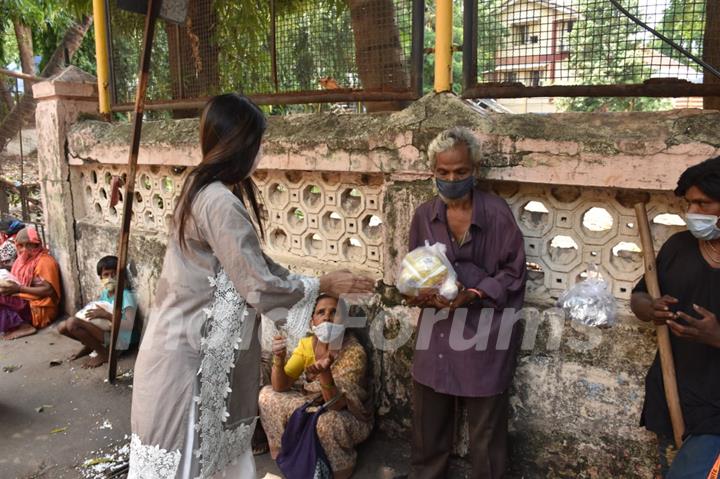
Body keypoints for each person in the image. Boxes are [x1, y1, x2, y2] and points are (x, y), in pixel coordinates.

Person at [128, 93, 375, 479]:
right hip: (189, 366)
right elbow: (258, 283)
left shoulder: (200, 189)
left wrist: (314, 283)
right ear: (242, 145)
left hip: (182, 350)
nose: (260, 154)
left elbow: (252, 265)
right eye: (258, 144)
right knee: (190, 463)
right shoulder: (218, 202)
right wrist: (322, 283)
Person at [405, 127, 526, 479]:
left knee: (486, 442)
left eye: (460, 172)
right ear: (433, 171)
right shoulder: (424, 215)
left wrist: (474, 293)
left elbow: (514, 272)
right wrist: (418, 293)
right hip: (436, 336)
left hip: (484, 339)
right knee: (427, 437)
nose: (451, 179)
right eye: (443, 172)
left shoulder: (497, 214)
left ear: (475, 169)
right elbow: (413, 271)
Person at [630, 157, 720, 479]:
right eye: (689, 203)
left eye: (703, 203)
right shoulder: (678, 247)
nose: (692, 211)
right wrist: (648, 307)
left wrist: (716, 337)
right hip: (674, 394)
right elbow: (640, 296)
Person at [259, 294, 372, 479]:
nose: (327, 317)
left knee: (325, 423)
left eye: (334, 312)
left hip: (346, 415)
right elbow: (280, 386)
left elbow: (335, 405)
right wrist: (278, 359)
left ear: (345, 321)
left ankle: (340, 468)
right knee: (267, 395)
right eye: (321, 312)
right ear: (313, 322)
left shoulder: (354, 352)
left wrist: (324, 372)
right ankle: (286, 453)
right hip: (311, 403)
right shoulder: (307, 344)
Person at [57, 255, 137, 368]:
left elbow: (129, 326)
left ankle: (104, 354)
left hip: (122, 339)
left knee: (72, 323)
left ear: (121, 276)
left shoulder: (126, 295)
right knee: (62, 327)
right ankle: (92, 345)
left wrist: (106, 315)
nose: (110, 278)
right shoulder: (105, 294)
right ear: (100, 278)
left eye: (114, 274)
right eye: (106, 275)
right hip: (106, 333)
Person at [0, 226, 61, 340]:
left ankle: (25, 326)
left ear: (37, 244)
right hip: (25, 300)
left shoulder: (45, 261)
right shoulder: (21, 261)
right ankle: (16, 324)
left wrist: (18, 289)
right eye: (21, 246)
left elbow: (48, 290)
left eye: (29, 244)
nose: (24, 249)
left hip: (40, 308)